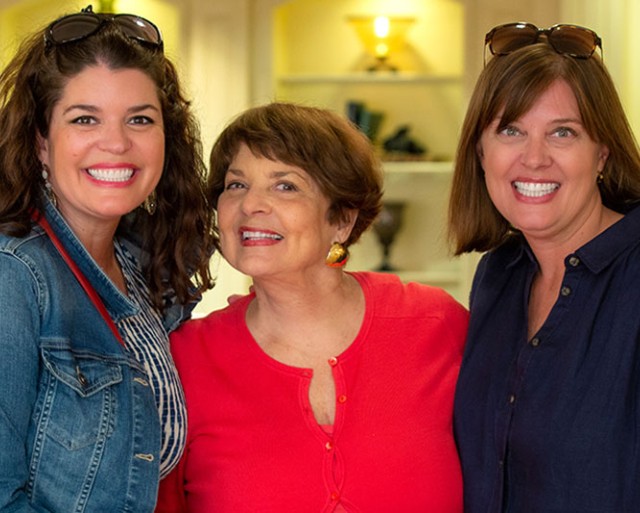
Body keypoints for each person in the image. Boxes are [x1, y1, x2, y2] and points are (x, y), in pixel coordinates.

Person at [156, 102, 468, 512]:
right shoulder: (185, 359)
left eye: (285, 186)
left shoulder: (436, 326)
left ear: (342, 220)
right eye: (235, 185)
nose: (251, 205)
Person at [0, 5, 216, 512]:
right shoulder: (15, 275)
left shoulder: (145, 267)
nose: (116, 143)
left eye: (140, 119)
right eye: (84, 119)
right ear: (41, 144)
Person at [448, 22, 640, 512]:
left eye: (562, 132)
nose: (534, 158)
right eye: (511, 131)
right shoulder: (498, 275)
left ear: (602, 153)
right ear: (481, 151)